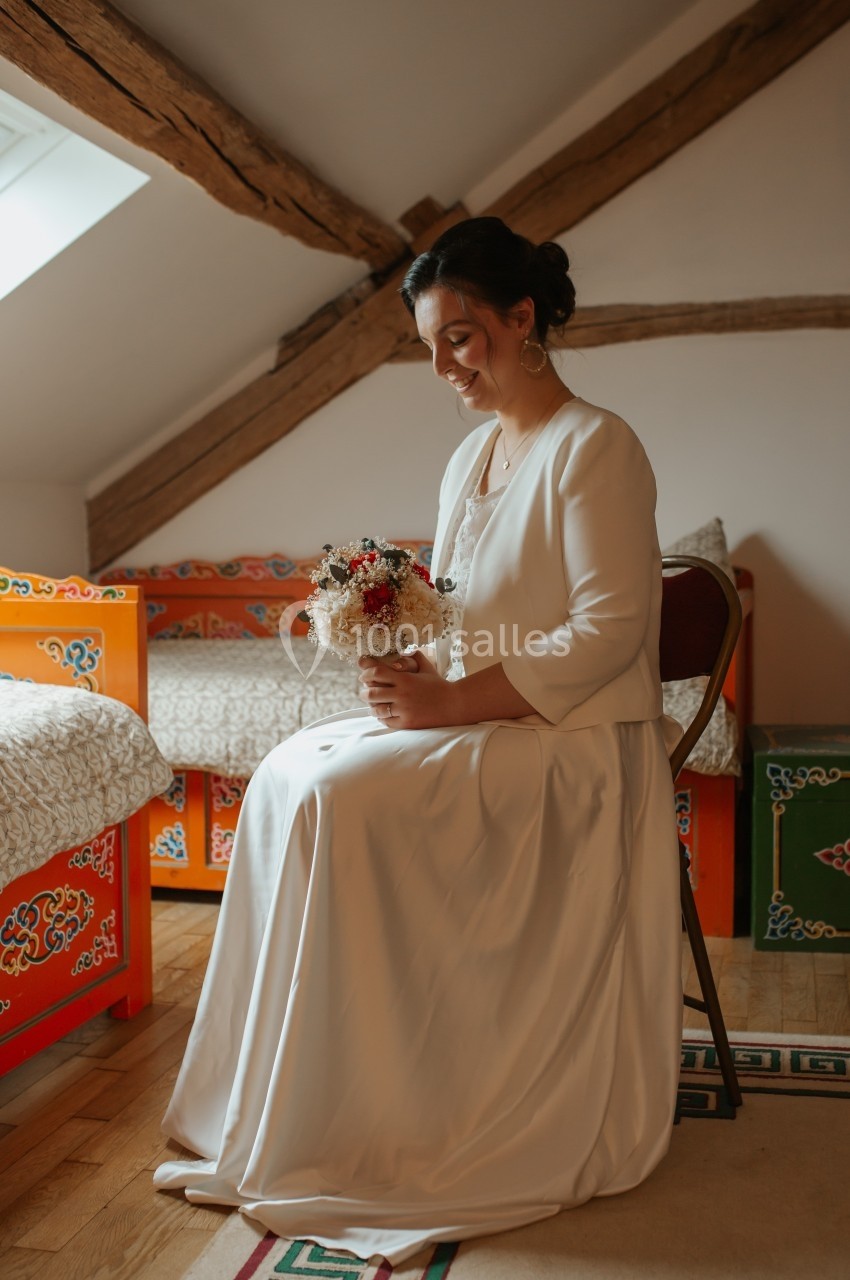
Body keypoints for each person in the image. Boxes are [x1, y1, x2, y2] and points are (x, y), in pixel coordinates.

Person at [154, 216, 683, 1266]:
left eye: (461, 336)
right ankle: (308, 1094)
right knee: (284, 774)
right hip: (478, 708)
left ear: (522, 319)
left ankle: (395, 1098)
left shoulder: (597, 445)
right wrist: (398, 651)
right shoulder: (470, 458)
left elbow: (610, 628)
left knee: (337, 795)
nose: (444, 364)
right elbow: (455, 604)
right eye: (432, 343)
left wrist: (447, 704)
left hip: (569, 738)